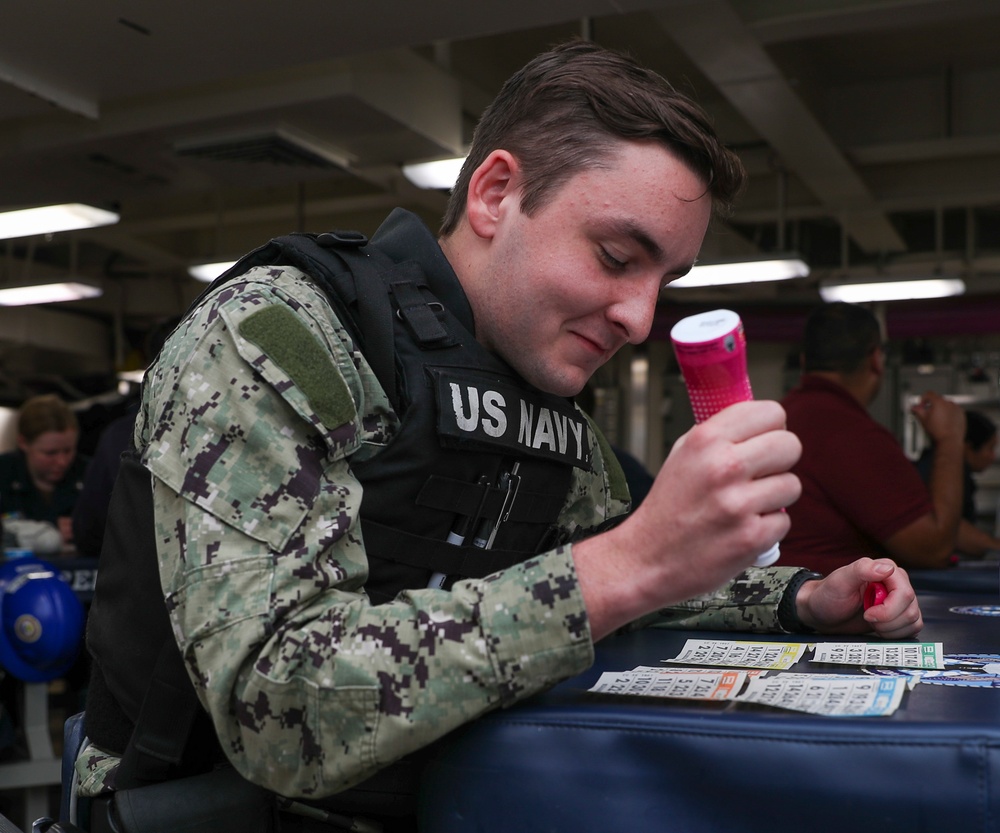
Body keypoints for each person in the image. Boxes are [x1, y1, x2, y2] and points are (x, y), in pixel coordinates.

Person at [78, 42, 922, 831]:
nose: (640, 319)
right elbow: (278, 707)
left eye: (664, 280)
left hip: (453, 793)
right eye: (617, 256)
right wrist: (629, 565)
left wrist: (797, 599)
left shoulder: (548, 410)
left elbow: (636, 572)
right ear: (494, 194)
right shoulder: (284, 336)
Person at [780, 301, 966, 575]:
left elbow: (898, 516)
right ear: (876, 360)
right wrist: (950, 438)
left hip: (769, 599)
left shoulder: (780, 417)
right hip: (824, 606)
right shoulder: (852, 434)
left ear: (805, 362)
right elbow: (932, 549)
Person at [0, 393, 88, 547]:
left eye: (68, 451)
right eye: (50, 453)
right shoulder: (3, 473)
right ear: (23, 443)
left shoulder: (92, 474)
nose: (62, 462)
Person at [916, 409, 1000, 558]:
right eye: (990, 448)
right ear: (968, 447)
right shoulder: (941, 474)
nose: (993, 456)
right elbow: (950, 527)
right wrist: (991, 544)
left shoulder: (958, 474)